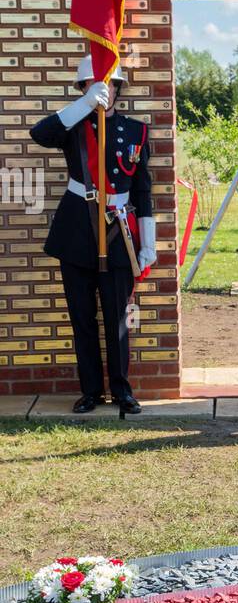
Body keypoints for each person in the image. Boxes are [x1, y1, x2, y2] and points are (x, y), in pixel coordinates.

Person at [29, 57, 157, 413]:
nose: (107, 89)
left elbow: (143, 190)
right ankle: (90, 391)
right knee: (82, 317)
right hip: (77, 231)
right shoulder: (74, 123)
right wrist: (85, 105)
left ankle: (121, 390)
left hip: (119, 231)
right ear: (84, 87)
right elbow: (39, 134)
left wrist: (149, 242)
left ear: (119, 88)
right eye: (97, 84)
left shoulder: (135, 131)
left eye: (113, 84)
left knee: (118, 318)